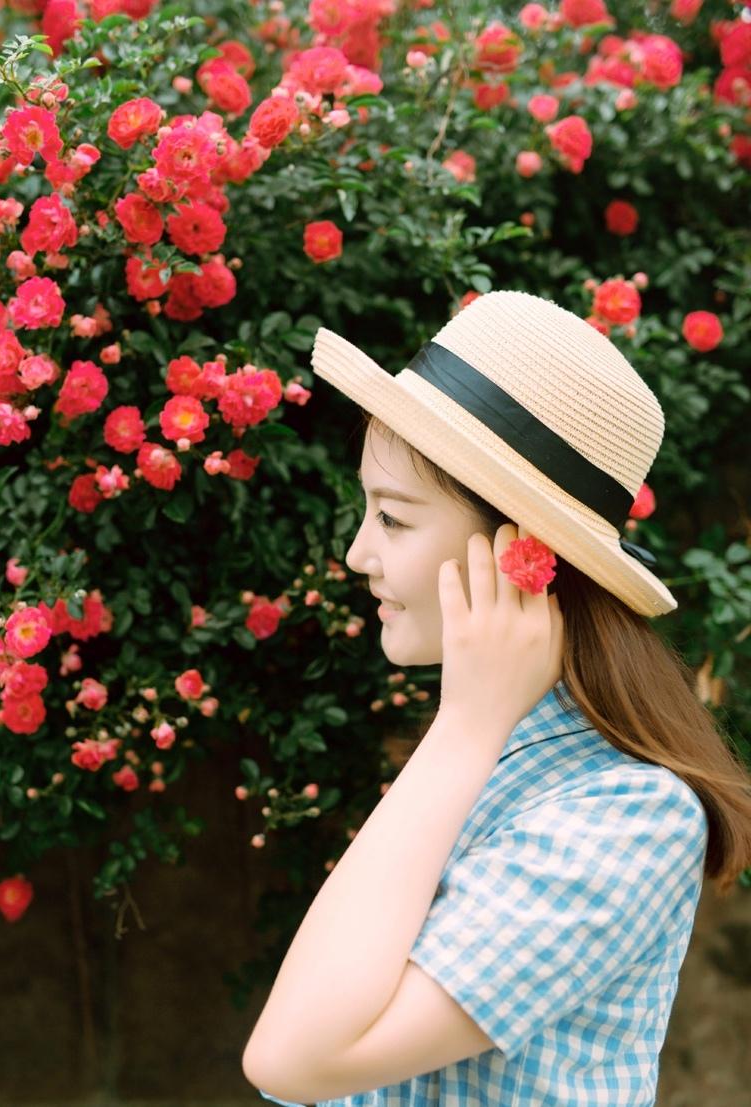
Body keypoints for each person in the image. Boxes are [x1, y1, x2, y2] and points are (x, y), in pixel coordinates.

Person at [244, 290, 751, 1107]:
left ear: (524, 555)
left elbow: (291, 1060)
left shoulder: (628, 814)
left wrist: (466, 724)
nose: (356, 552)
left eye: (395, 520)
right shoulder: (484, 757)